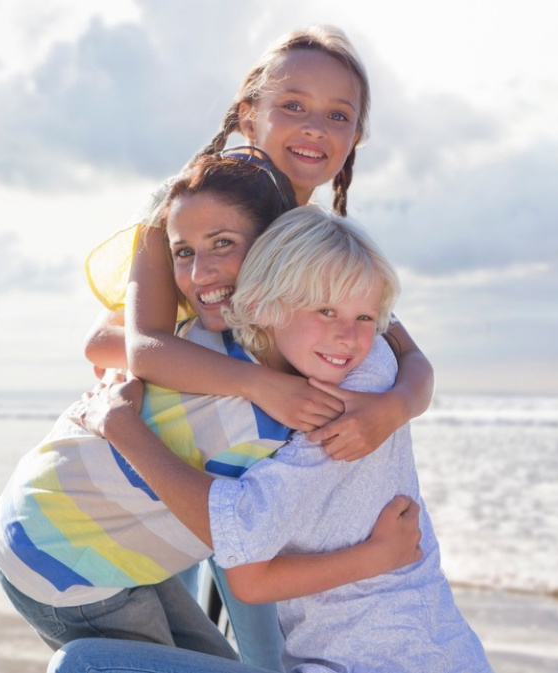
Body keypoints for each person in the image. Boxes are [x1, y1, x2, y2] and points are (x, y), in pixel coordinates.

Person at [80, 25, 435, 668]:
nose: (313, 127)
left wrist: (394, 409)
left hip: (268, 472)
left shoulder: (316, 240)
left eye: (338, 115)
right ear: (249, 114)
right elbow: (114, 341)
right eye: (292, 105)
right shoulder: (194, 204)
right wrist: (259, 382)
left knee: (263, 644)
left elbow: (407, 351)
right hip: (200, 461)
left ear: (355, 137)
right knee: (254, 644)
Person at [0, 155, 422, 663]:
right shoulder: (233, 369)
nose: (201, 269)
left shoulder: (250, 329)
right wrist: (376, 557)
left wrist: (399, 401)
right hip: (56, 556)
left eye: (223, 244)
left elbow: (397, 338)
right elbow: (235, 542)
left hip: (77, 531)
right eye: (184, 252)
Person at [64, 206, 491, 672]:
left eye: (365, 318)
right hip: (433, 652)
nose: (348, 336)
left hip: (380, 661)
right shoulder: (340, 373)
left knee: (83, 664)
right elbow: (115, 341)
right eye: (325, 311)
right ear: (266, 304)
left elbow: (247, 572)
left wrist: (120, 425)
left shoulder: (343, 405)